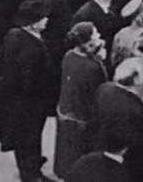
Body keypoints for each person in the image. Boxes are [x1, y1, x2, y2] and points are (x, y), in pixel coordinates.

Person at [0, 0, 58, 182]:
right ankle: (31, 175)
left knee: (23, 137)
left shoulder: (14, 34)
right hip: (31, 102)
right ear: (34, 22)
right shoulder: (32, 48)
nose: (46, 20)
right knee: (30, 137)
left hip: (16, 100)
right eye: (43, 18)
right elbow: (29, 81)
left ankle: (28, 164)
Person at [54, 21, 108, 179]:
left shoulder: (68, 56)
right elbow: (99, 92)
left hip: (66, 111)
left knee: (66, 152)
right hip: (83, 117)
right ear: (88, 42)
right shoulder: (92, 66)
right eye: (96, 34)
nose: (99, 36)